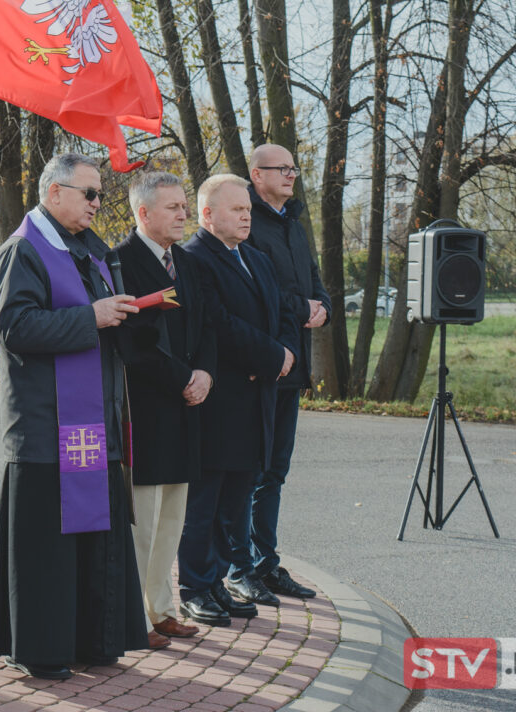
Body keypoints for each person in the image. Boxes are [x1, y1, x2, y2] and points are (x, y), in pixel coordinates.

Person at [0, 152, 149, 679]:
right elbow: (17, 329)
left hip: (94, 424)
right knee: (46, 552)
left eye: (100, 194)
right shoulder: (22, 251)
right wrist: (91, 317)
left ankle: (91, 641)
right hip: (46, 427)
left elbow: (96, 327)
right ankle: (42, 649)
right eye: (89, 193)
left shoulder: (90, 254)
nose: (98, 203)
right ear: (54, 193)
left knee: (92, 544)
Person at [178, 175, 298, 626]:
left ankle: (221, 583)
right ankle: (195, 586)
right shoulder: (194, 259)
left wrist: (285, 353)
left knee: (236, 501)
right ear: (207, 215)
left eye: (247, 209)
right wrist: (273, 356)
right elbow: (219, 323)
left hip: (257, 400)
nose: (247, 216)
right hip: (220, 404)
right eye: (236, 210)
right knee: (205, 503)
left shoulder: (256, 257)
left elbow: (285, 313)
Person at [111, 172, 214, 650]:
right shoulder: (120, 263)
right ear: (143, 213)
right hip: (147, 407)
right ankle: (136, 617)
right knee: (145, 520)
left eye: (184, 206)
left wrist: (206, 374)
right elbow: (132, 344)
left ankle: (163, 608)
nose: (182, 214)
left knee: (173, 515)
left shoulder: (188, 264)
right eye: (172, 207)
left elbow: (207, 326)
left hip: (188, 406)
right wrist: (182, 379)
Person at [229, 144, 331, 603]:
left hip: (293, 365)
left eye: (294, 168)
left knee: (275, 472)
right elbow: (249, 290)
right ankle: (238, 565)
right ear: (257, 174)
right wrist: (300, 306)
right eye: (282, 168)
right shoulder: (245, 223)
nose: (292, 175)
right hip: (258, 367)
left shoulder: (293, 223)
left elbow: (313, 279)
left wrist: (323, 307)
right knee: (248, 470)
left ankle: (266, 563)